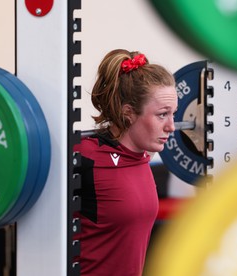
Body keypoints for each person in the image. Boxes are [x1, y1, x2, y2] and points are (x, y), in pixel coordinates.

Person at [73, 49, 177, 276]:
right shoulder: (86, 156)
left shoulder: (142, 156)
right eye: (162, 115)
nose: (171, 126)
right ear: (128, 112)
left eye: (173, 114)